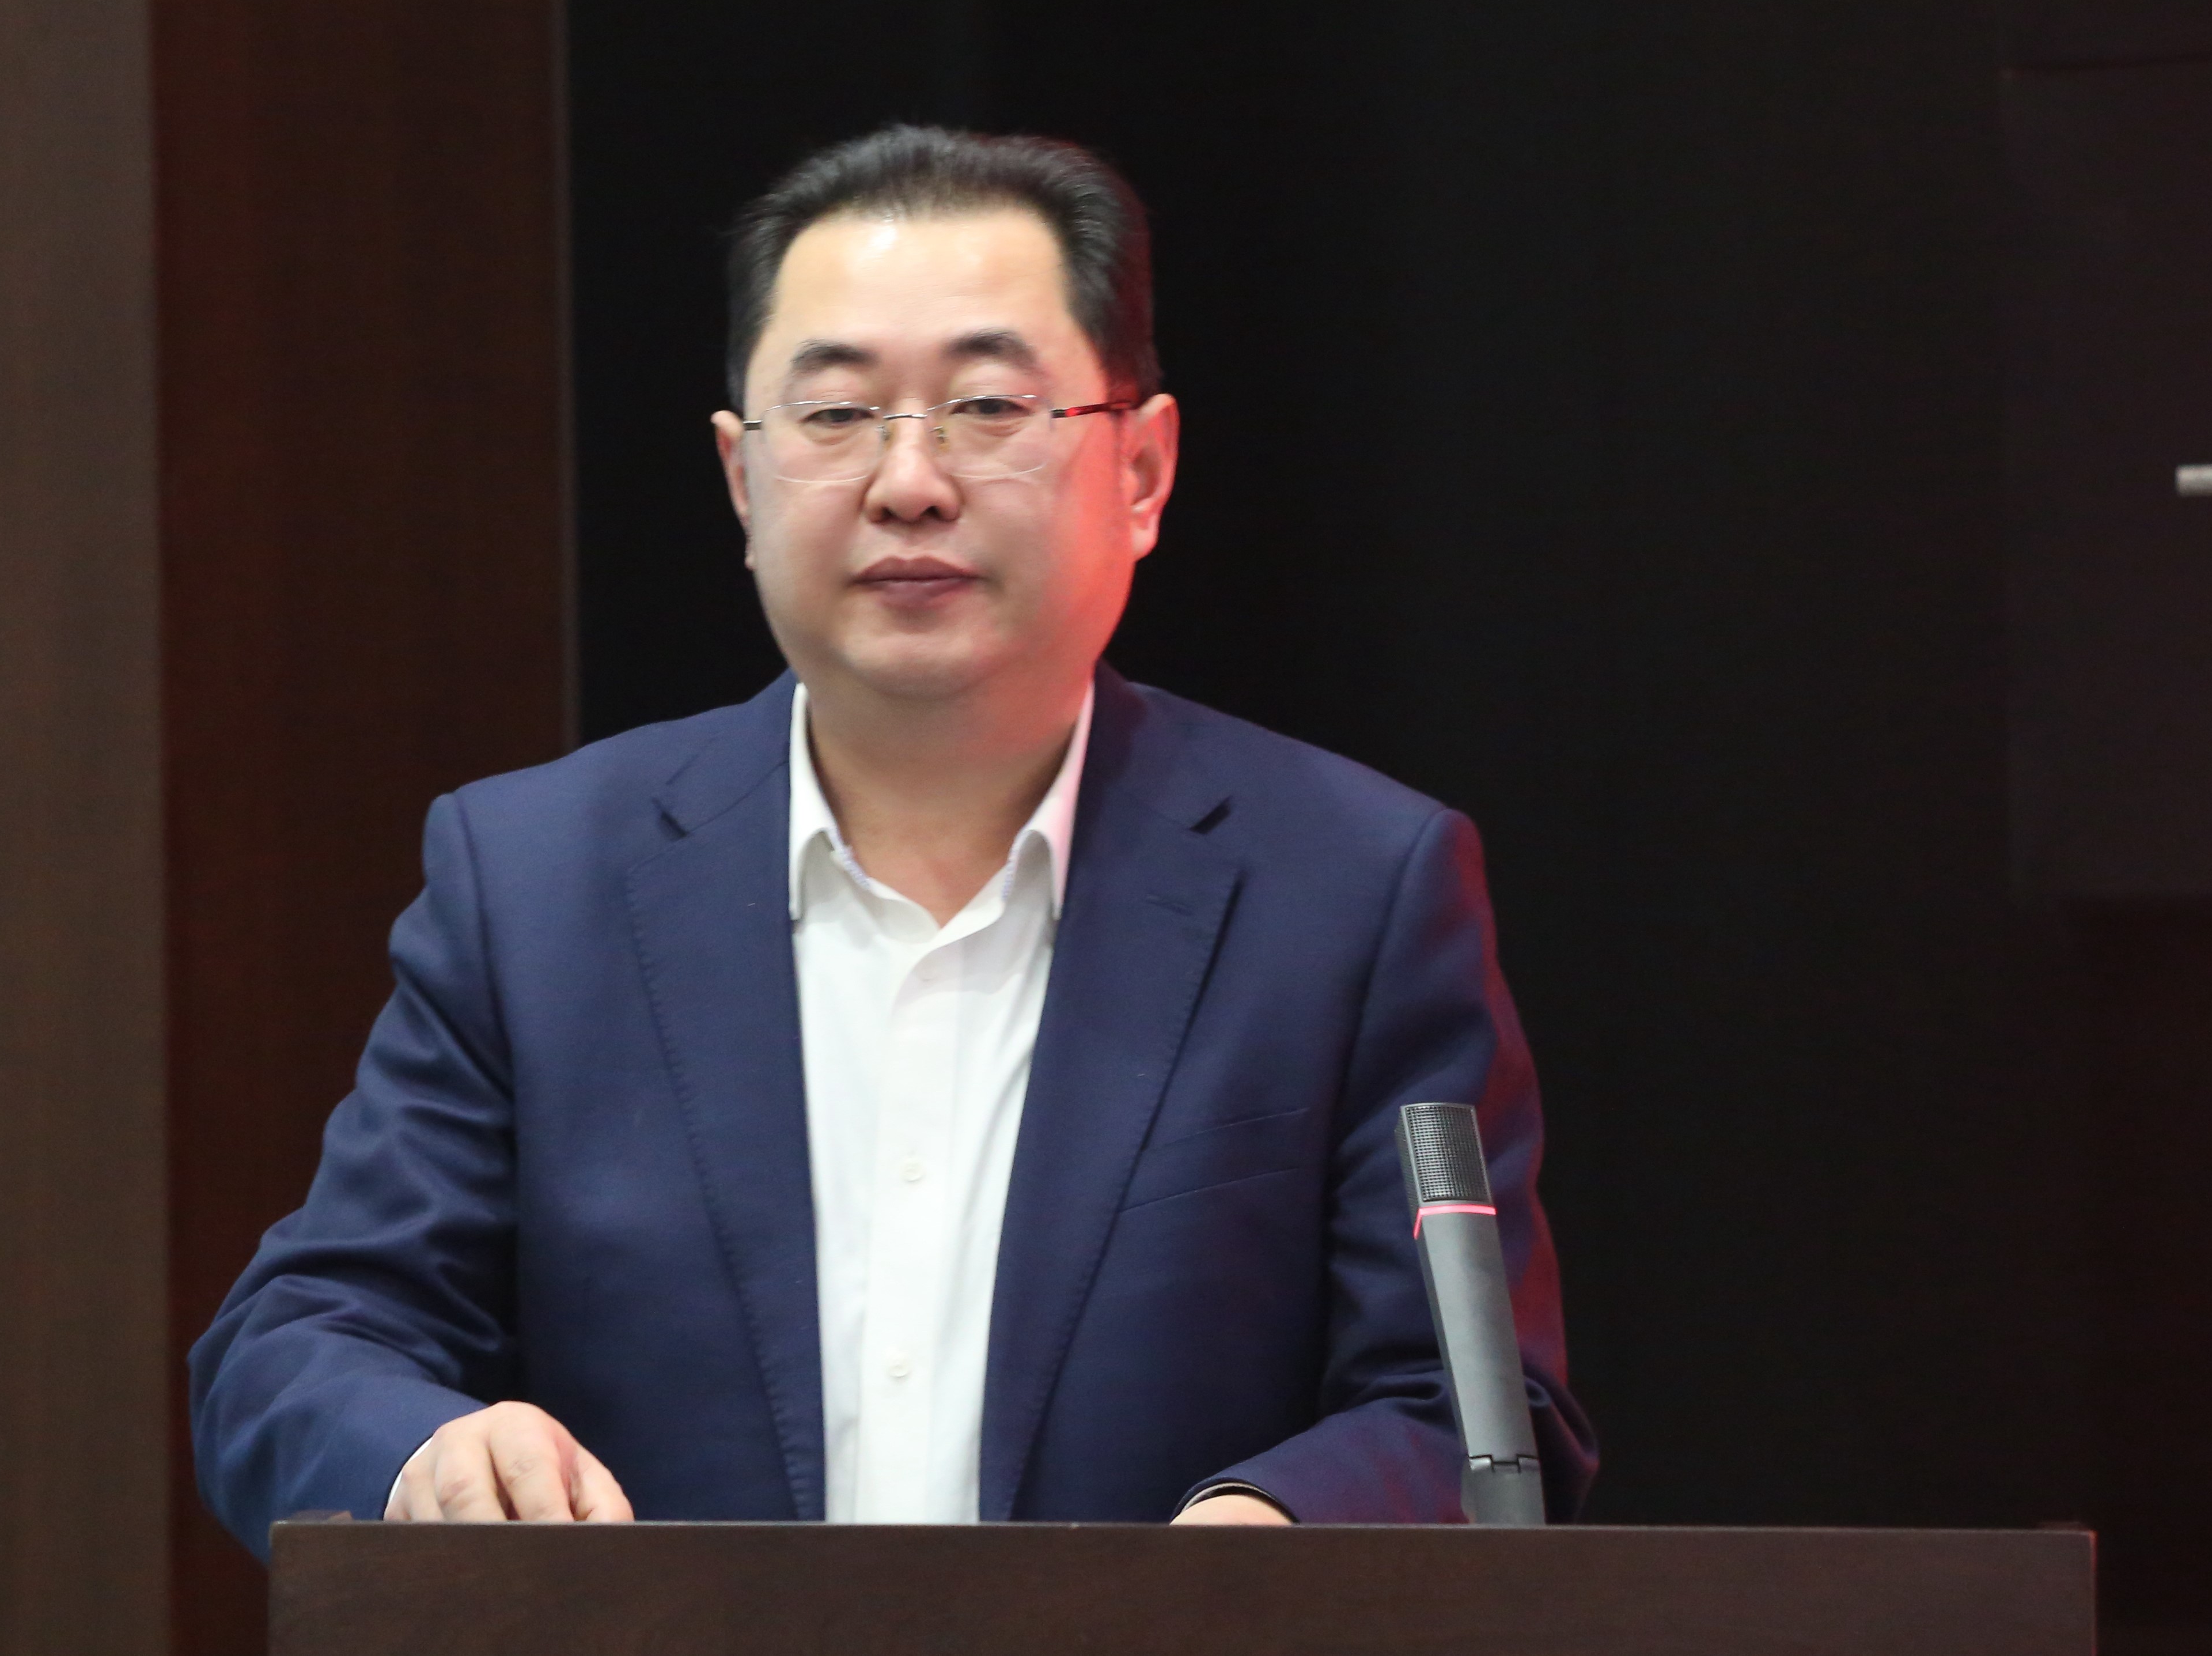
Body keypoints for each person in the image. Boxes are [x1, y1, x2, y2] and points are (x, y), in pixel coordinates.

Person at [190, 126, 1592, 1546]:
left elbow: (1473, 1409)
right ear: (741, 479)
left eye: (986, 405)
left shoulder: (1349, 889)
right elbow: (299, 1343)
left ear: (1141, 468)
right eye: (836, 413)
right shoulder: (537, 882)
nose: (907, 480)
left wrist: (1262, 1543)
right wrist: (431, 1450)